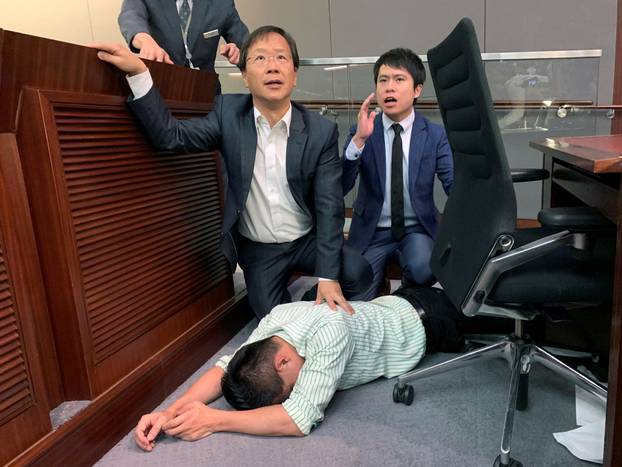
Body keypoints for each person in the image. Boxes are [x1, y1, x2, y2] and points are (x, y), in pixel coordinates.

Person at [93, 26, 372, 319]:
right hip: (260, 248)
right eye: (260, 59)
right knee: (272, 318)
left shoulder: (320, 130)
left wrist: (327, 279)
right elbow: (170, 136)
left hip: (305, 239)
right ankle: (301, 310)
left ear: (295, 73)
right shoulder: (228, 114)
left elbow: (330, 207)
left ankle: (308, 301)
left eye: (281, 58)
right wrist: (139, 73)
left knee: (358, 273)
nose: (272, 66)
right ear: (244, 76)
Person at [132, 286, 466, 449]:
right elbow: (224, 368)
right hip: (393, 304)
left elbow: (297, 418)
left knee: (507, 308)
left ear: (282, 361)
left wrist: (214, 420)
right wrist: (169, 411)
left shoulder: (330, 334)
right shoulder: (275, 321)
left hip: (431, 323)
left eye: (289, 388)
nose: (297, 390)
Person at [343, 48, 454, 300]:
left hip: (417, 229)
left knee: (423, 269)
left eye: (399, 79)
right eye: (383, 80)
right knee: (355, 294)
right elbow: (341, 186)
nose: (389, 88)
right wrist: (358, 141)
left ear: (417, 90)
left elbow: (453, 184)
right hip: (372, 231)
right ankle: (379, 285)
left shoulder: (434, 135)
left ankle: (407, 295)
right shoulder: (362, 130)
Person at [118, 0, 249, 74]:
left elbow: (248, 47)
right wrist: (144, 40)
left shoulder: (222, 4)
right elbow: (130, 16)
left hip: (207, 97)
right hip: (159, 91)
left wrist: (238, 54)